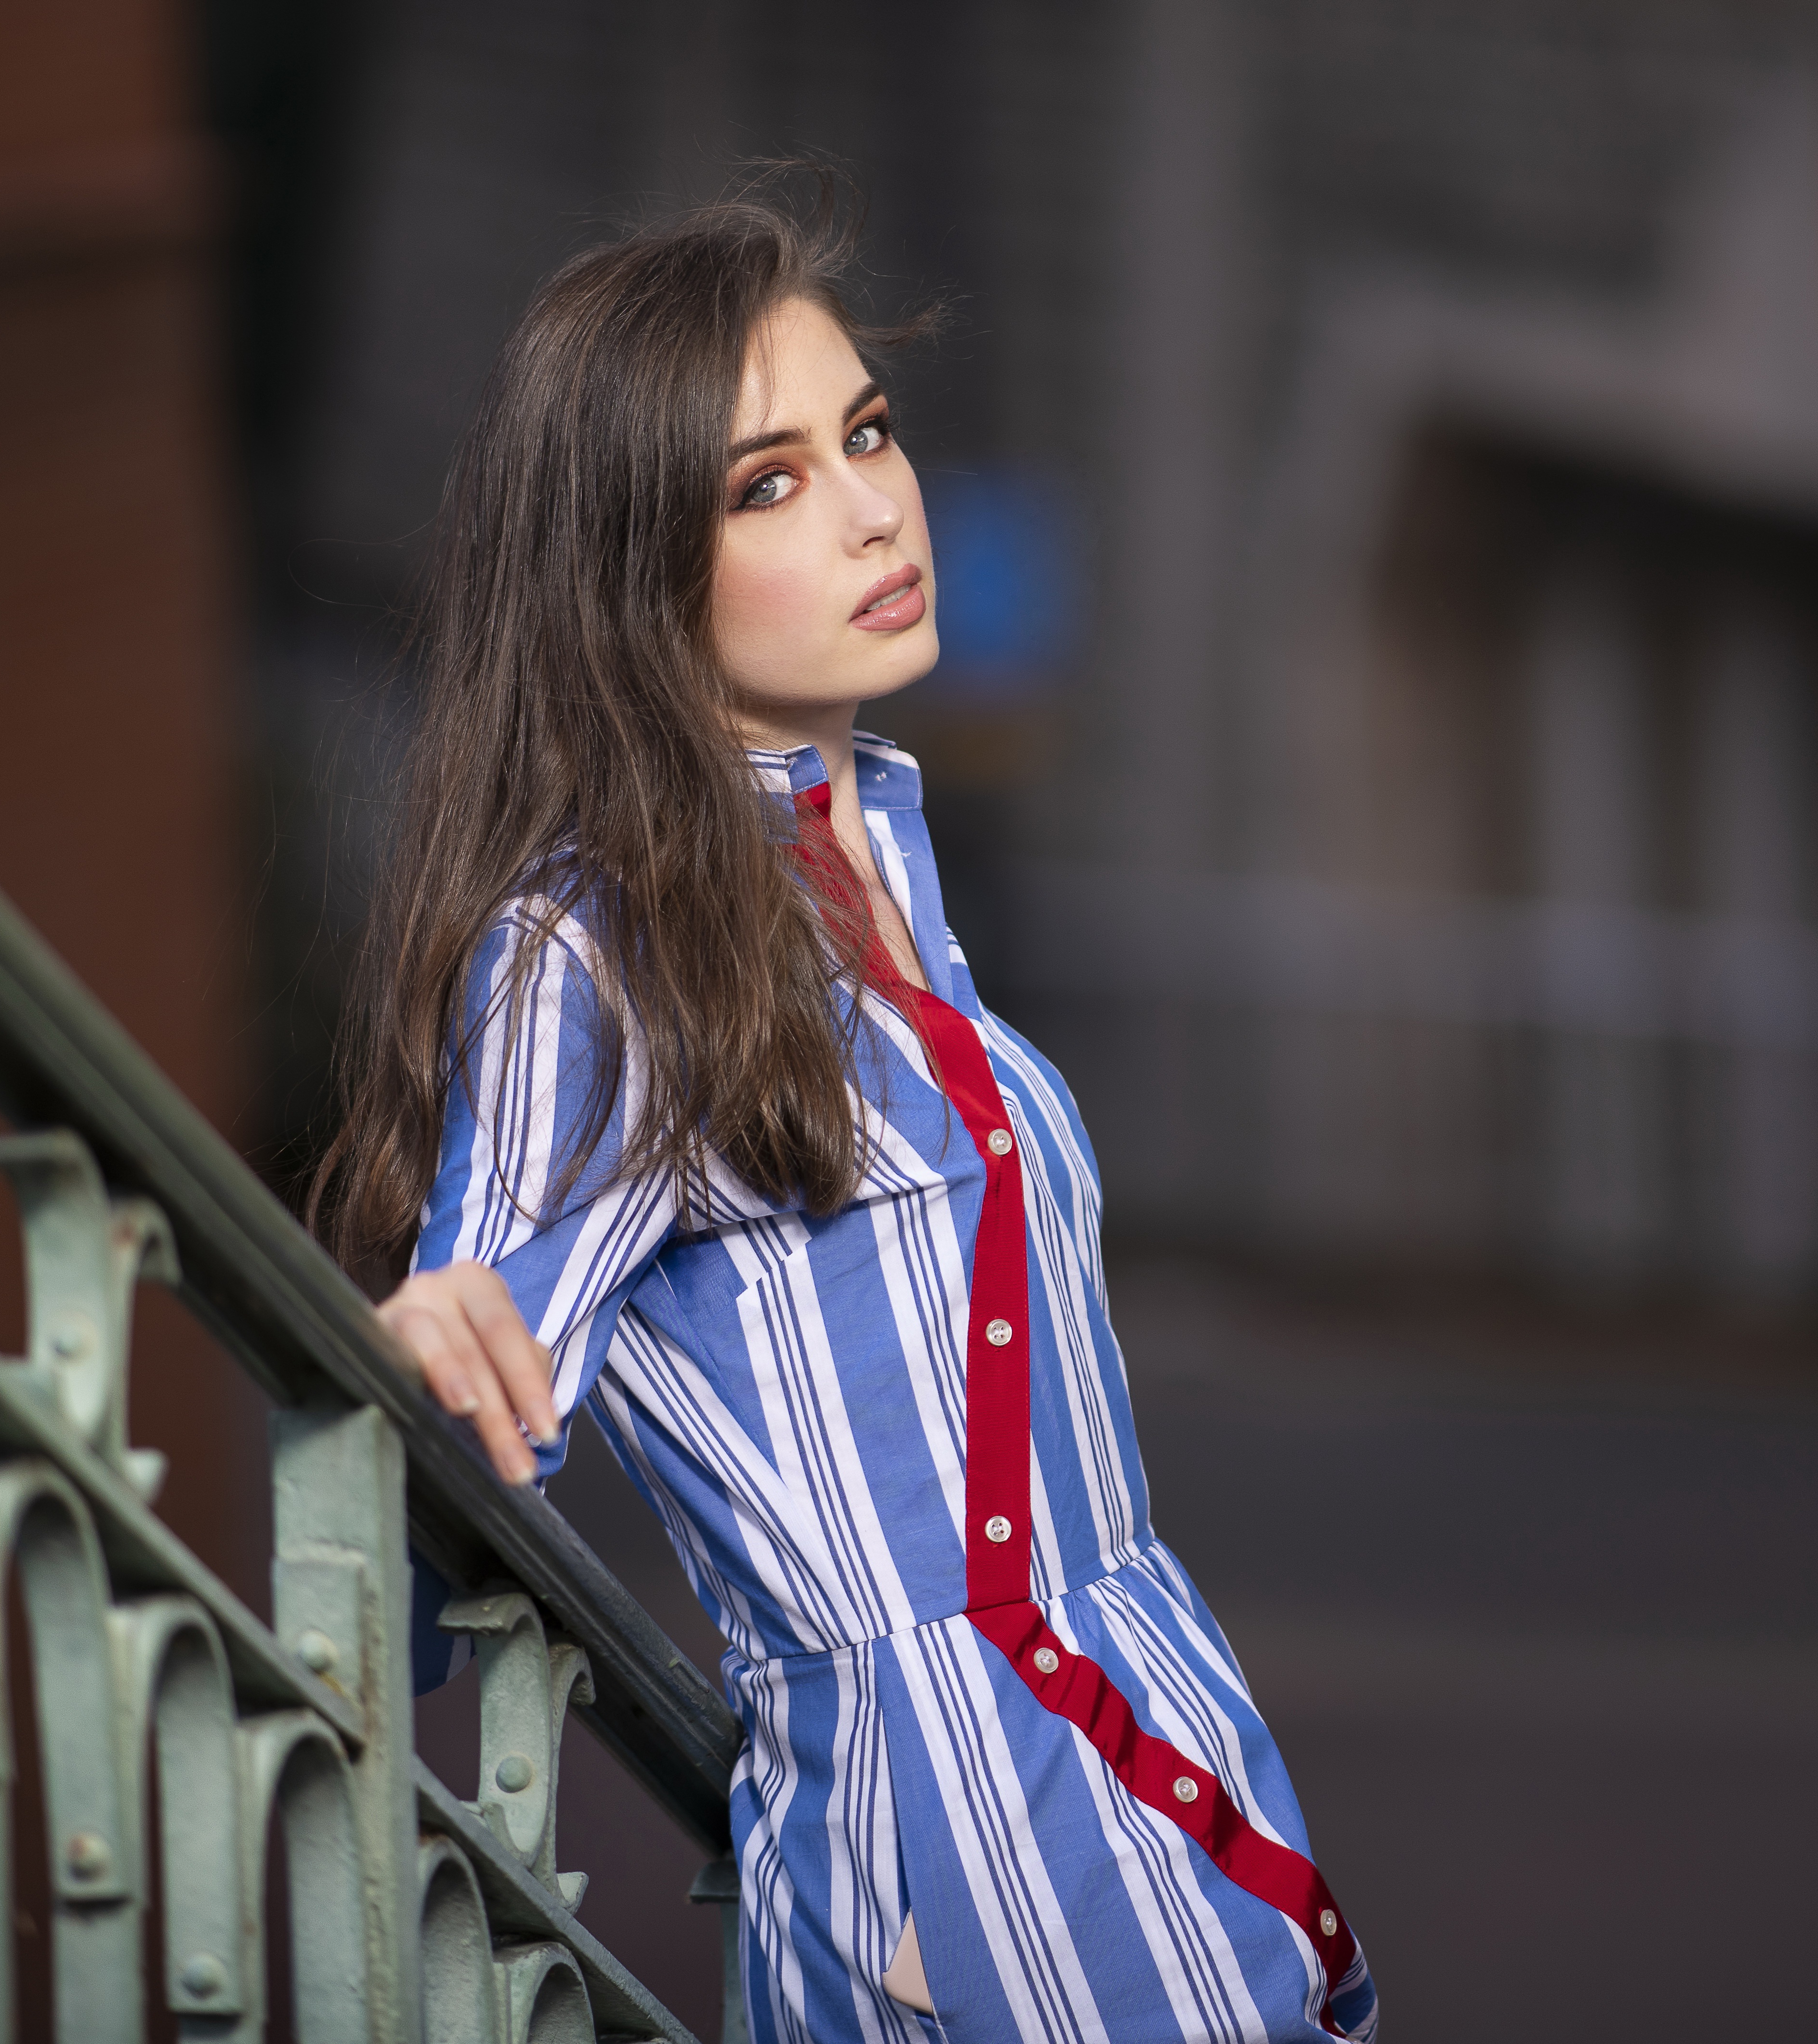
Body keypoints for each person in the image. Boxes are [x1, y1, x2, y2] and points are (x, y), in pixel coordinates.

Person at [312, 184, 1379, 2044]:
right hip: (970, 1909)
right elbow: (434, 1487)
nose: (877, 504)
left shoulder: (868, 857)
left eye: (865, 432)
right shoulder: (599, 945)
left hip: (1171, 1821)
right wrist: (400, 1381)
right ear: (633, 574)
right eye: (768, 483)